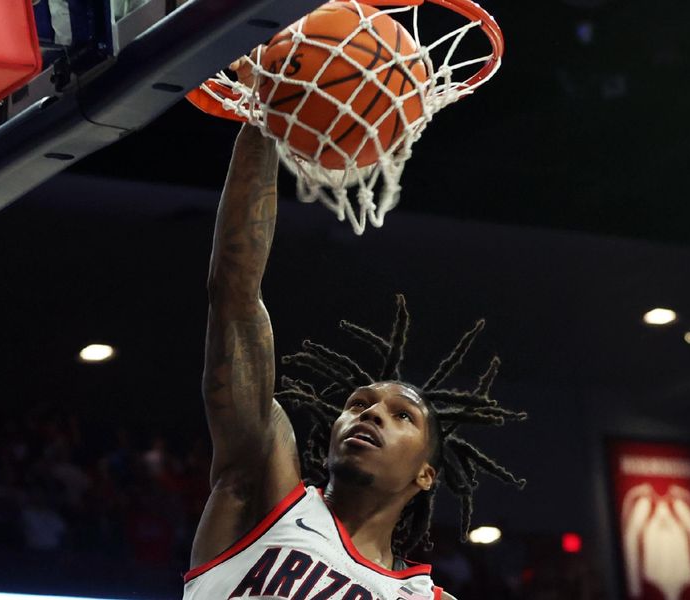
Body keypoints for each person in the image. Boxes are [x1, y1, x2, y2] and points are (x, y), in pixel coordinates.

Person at [183, 59, 526, 600]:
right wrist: (263, 116)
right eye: (360, 403)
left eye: (401, 416)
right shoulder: (264, 490)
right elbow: (235, 296)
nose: (369, 414)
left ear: (426, 475)